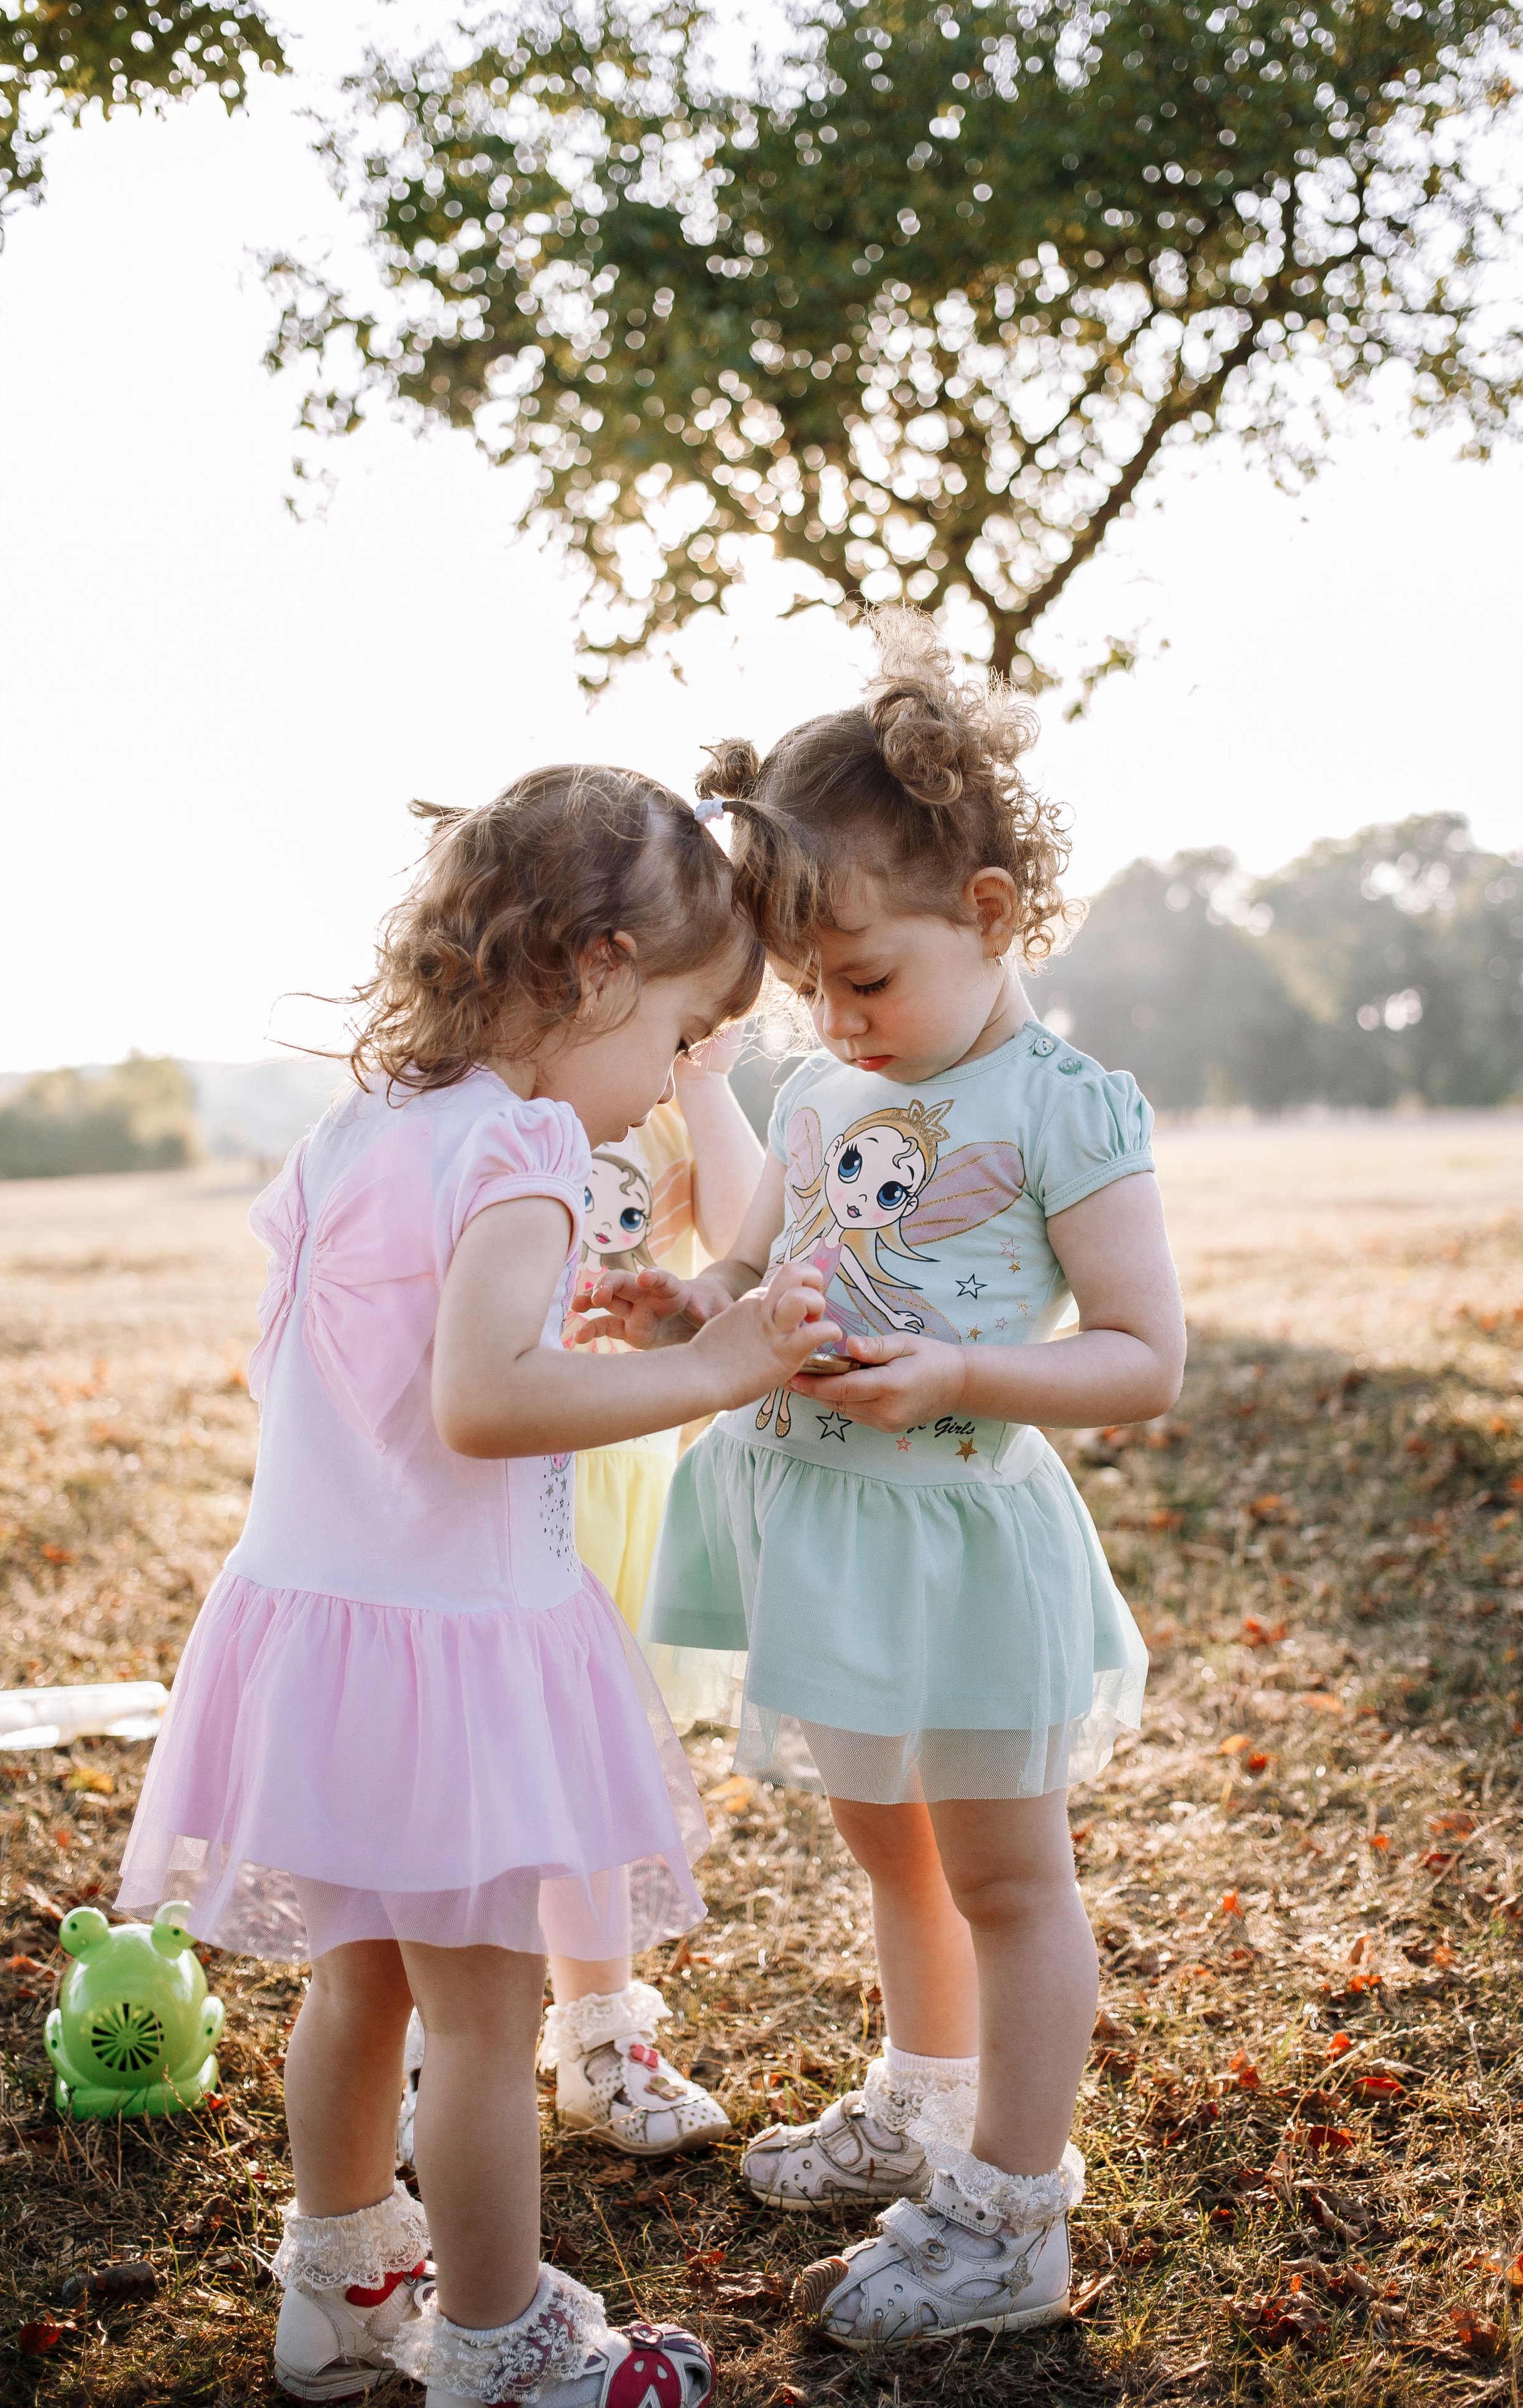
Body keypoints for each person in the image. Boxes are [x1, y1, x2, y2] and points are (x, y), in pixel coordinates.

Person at [114, 765, 830, 2407]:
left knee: (358, 1986)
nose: (665, 1083)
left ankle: (347, 2280)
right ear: (594, 970)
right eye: (673, 1039)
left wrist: (573, 1326)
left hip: (330, 1633)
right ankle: (502, 2349)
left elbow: (359, 1373)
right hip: (457, 1656)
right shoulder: (521, 1145)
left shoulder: (361, 1124)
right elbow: (483, 1402)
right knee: (491, 2031)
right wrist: (715, 1362)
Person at [583, 612, 1186, 2352]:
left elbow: (1143, 1357)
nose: (837, 1019)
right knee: (888, 1847)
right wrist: (688, 1301)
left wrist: (965, 1372)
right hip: (822, 1527)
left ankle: (1010, 2214)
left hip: (956, 1547)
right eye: (812, 988)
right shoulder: (835, 1084)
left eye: (865, 977)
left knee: (1007, 1876)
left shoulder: (1067, 1106)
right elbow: (767, 1263)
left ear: (989, 915)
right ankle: (924, 2098)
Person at [399, 1043, 762, 2168]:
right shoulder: (479, 1121)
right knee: (469, 1775)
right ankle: (434, 2052)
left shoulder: (659, 1115)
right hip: (490, 1488)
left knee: (595, 1769)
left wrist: (703, 1086)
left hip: (616, 1473)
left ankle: (601, 2035)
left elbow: (758, 1236)